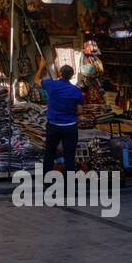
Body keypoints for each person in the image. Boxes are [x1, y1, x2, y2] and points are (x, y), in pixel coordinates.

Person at [36, 54, 84, 192]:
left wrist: (41, 68)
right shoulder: (76, 91)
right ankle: (70, 184)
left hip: (54, 125)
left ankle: (47, 181)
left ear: (60, 73)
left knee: (49, 153)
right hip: (70, 126)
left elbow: (36, 80)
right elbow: (80, 111)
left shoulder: (52, 85)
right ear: (71, 76)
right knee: (69, 155)